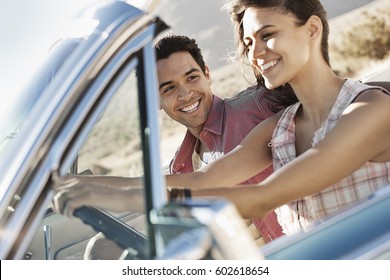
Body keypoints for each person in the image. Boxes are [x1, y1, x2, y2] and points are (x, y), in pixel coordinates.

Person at [54, 0, 390, 237]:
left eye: (267, 34)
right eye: (248, 42)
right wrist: (89, 186)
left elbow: (263, 198)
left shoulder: (369, 110)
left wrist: (116, 197)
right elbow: (203, 182)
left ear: (312, 29)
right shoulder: (279, 126)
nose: (255, 53)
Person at [82, 34, 284, 259]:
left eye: (192, 77)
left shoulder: (258, 107)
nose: (185, 94)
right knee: (101, 247)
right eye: (168, 89)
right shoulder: (182, 164)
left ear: (207, 74)